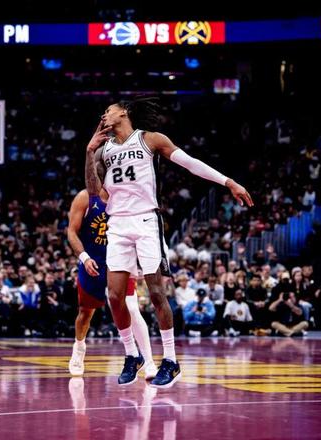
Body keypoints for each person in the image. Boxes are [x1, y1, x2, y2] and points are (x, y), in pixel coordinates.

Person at [85, 97, 254, 388]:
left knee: (156, 293)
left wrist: (228, 182)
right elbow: (94, 193)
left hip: (146, 221)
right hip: (118, 225)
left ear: (124, 112)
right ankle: (132, 355)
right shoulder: (103, 150)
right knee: (114, 296)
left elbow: (190, 163)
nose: (104, 115)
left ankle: (171, 361)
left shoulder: (150, 139)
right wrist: (89, 153)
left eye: (108, 110)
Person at [66, 188, 157, 380]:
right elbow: (71, 232)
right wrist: (84, 257)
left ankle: (149, 363)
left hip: (120, 259)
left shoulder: (127, 196)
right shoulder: (85, 197)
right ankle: (79, 347)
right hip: (93, 259)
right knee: (85, 313)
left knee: (132, 308)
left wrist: (141, 258)